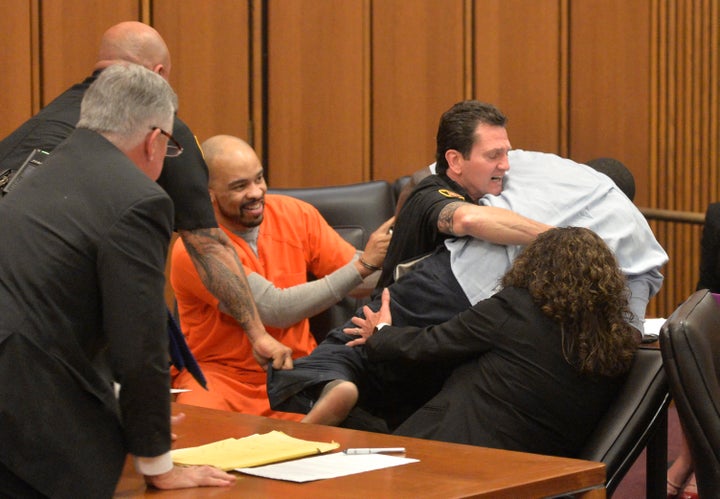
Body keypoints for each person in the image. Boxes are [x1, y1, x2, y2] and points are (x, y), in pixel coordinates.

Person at [267, 148, 668, 432]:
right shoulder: (639, 242)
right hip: (528, 354)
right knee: (422, 376)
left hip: (450, 284)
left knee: (354, 347)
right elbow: (626, 337)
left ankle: (331, 380)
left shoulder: (538, 170)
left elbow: (430, 194)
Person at [0, 21, 293, 372]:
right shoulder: (157, 128)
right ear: (158, 75)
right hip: (44, 329)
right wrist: (257, 333)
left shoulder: (44, 122)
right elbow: (209, 246)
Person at [0, 64, 235, 498]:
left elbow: (44, 304)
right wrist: (158, 464)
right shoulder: (138, 200)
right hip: (25, 416)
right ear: (155, 141)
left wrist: (115, 396)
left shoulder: (48, 171)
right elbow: (140, 344)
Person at [343, 227, 637, 457]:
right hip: (548, 464)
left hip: (461, 451)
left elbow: (431, 344)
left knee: (349, 430)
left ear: (534, 266)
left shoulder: (516, 307)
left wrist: (380, 332)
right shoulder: (617, 339)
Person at [170, 135, 393, 419]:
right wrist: (363, 265)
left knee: (347, 397)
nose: (256, 192)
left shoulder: (294, 213)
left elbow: (361, 282)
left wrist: (410, 262)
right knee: (199, 428)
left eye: (259, 179)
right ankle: (305, 431)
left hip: (293, 367)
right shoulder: (195, 249)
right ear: (208, 193)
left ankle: (308, 427)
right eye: (240, 186)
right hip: (220, 376)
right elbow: (274, 309)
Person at [376, 100, 551, 289]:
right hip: (392, 314)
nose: (505, 166)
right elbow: (467, 219)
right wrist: (559, 238)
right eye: (493, 156)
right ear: (455, 161)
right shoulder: (428, 194)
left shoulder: (492, 192)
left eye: (506, 154)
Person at [664, 202, 720, 498]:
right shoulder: (717, 214)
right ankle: (693, 458)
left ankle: (701, 462)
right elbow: (707, 284)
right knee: (692, 339)